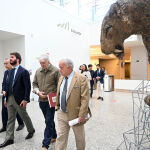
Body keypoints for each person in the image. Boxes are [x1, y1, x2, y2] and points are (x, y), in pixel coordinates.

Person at [0, 52, 35, 148]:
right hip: (10, 98)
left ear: (17, 59)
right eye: (10, 57)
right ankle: (9, 139)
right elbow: (7, 85)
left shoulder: (24, 71)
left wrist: (25, 100)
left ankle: (31, 130)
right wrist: (5, 98)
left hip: (19, 99)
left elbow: (28, 87)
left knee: (24, 116)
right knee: (10, 119)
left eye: (12, 57)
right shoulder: (10, 71)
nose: (10, 59)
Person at [55, 59, 91, 150]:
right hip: (62, 113)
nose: (59, 69)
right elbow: (59, 93)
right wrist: (57, 107)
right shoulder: (61, 78)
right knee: (60, 137)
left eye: (61, 67)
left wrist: (82, 115)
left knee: (79, 138)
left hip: (76, 115)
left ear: (69, 67)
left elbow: (85, 99)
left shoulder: (81, 78)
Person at [33, 54, 60, 150]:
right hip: (41, 101)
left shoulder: (56, 70)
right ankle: (54, 135)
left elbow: (59, 85)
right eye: (40, 63)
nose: (42, 64)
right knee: (49, 120)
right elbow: (34, 84)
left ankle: (45, 144)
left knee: (48, 120)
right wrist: (37, 92)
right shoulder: (38, 71)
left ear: (48, 61)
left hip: (51, 101)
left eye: (43, 63)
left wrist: (57, 100)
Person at [0, 58, 24, 133]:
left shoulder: (16, 72)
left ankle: (21, 123)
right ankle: (4, 126)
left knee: (16, 109)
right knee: (4, 110)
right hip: (6, 94)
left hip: (14, 95)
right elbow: (4, 83)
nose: (5, 65)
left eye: (6, 63)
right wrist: (3, 90)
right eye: (4, 63)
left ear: (11, 63)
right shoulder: (6, 72)